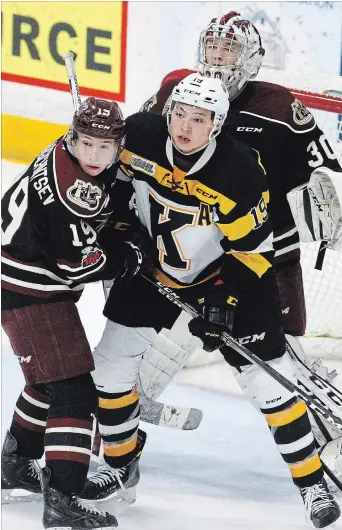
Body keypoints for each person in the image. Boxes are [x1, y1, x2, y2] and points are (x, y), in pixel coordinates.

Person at [79, 74, 340, 528]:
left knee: (268, 387)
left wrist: (224, 300)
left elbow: (255, 253)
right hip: (152, 268)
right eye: (179, 113)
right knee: (109, 370)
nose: (184, 126)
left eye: (198, 119)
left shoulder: (240, 171)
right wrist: (121, 233)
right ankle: (121, 468)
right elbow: (112, 189)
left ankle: (311, 482)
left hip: (230, 277)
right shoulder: (140, 135)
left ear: (216, 124)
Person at [138, 11, 342, 455]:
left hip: (265, 253)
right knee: (157, 337)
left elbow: (326, 165)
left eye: (229, 49)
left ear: (251, 57)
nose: (219, 57)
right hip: (193, 251)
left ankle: (329, 433)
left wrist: (325, 190)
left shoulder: (277, 106)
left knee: (277, 353)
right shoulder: (181, 92)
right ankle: (125, 423)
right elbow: (138, 142)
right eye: (213, 47)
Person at [1, 97, 152, 529]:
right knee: (75, 392)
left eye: (104, 147)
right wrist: (129, 255)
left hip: (16, 280)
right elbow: (78, 262)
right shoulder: (76, 195)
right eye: (87, 144)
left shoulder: (60, 152)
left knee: (47, 381)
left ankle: (15, 463)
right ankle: (62, 498)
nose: (93, 155)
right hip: (34, 291)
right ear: (74, 137)